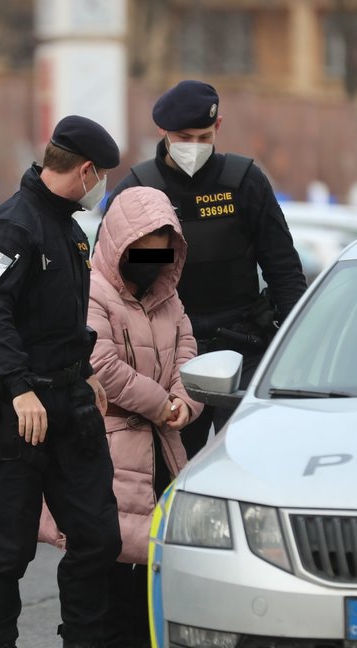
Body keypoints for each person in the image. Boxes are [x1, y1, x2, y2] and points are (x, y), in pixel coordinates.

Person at [0, 115, 123, 648]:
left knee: (99, 537)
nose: (100, 184)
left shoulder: (68, 228)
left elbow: (59, 316)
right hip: (21, 411)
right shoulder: (15, 225)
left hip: (70, 403)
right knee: (8, 549)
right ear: (84, 170)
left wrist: (84, 373)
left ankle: (81, 643)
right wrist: (18, 387)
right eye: (100, 174)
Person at [105, 79, 307, 458]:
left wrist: (298, 341)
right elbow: (113, 276)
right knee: (177, 469)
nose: (194, 147)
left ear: (218, 127)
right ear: (163, 131)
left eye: (203, 136)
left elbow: (282, 267)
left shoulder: (244, 182)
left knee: (251, 461)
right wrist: (166, 257)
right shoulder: (139, 189)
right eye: (184, 137)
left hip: (244, 347)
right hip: (172, 355)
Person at [40, 186, 202, 648]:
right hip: (104, 448)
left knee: (147, 583)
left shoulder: (170, 300)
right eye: (142, 249)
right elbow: (102, 365)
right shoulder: (90, 292)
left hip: (161, 455)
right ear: (119, 243)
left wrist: (185, 404)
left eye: (162, 250)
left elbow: (189, 360)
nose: (152, 261)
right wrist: (161, 405)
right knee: (104, 569)